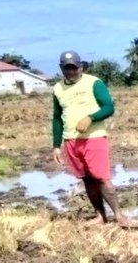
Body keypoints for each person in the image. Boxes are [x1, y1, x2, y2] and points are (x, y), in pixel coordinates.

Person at [51, 50, 130, 226]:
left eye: (74, 68)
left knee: (101, 178)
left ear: (80, 66)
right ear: (61, 68)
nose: (71, 72)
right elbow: (57, 117)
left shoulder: (94, 83)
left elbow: (108, 107)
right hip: (71, 140)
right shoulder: (57, 89)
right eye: (67, 68)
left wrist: (91, 118)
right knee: (87, 179)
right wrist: (56, 145)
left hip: (93, 138)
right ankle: (100, 216)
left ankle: (119, 216)